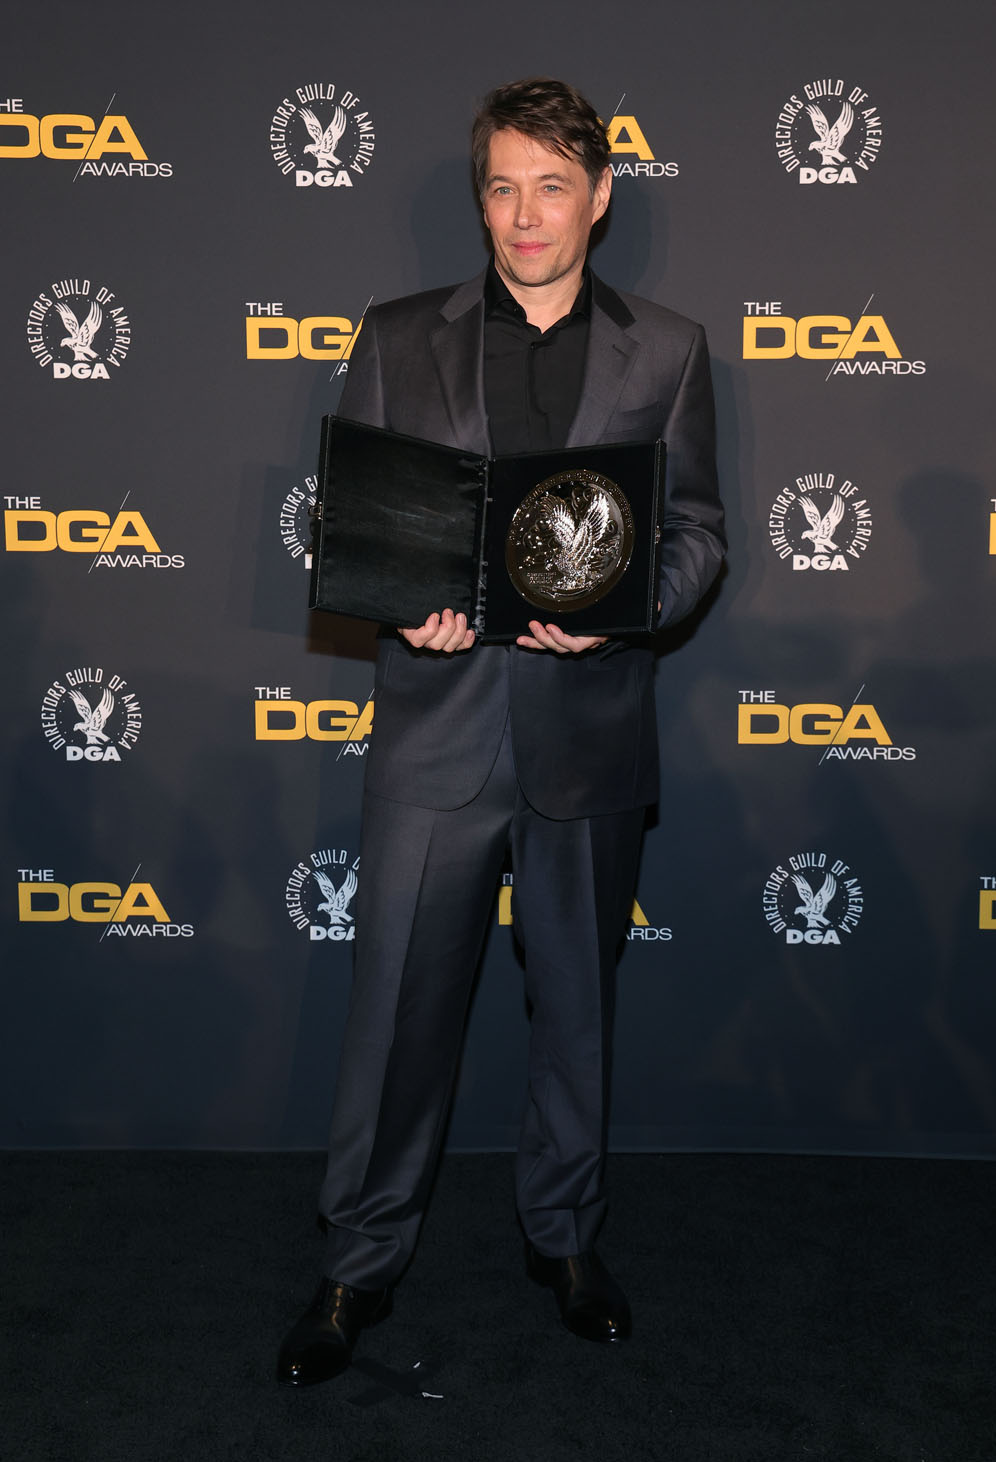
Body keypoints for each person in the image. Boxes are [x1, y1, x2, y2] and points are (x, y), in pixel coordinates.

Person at [277, 77, 725, 1387]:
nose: (525, 215)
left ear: (599, 197)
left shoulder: (669, 349)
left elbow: (697, 533)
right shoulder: (395, 334)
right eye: (502, 187)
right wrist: (392, 600)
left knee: (575, 1011)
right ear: (480, 200)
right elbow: (356, 516)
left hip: (588, 732)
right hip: (437, 731)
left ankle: (566, 1241)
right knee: (395, 1018)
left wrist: (626, 612)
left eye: (551, 187)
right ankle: (358, 1261)